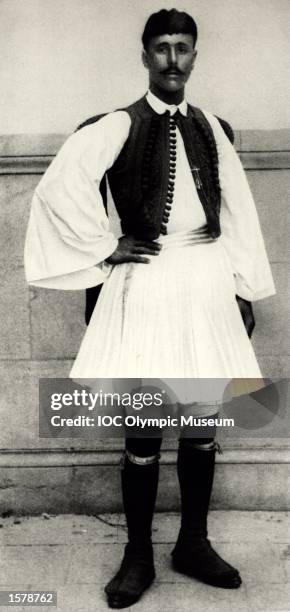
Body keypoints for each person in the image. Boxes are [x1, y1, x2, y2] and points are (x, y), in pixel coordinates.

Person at [24, 8, 276, 609]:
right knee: (143, 422)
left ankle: (193, 542)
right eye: (160, 47)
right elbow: (57, 190)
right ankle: (137, 555)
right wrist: (107, 248)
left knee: (201, 421)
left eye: (182, 48)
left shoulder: (217, 128)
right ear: (144, 57)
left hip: (206, 285)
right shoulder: (115, 124)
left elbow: (238, 210)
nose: (171, 58)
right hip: (147, 283)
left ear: (194, 57)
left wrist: (242, 289)